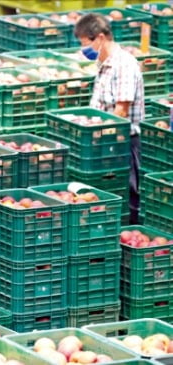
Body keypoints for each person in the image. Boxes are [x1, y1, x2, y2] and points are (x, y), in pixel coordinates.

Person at [74, 13, 145, 224]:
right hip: (104, 140)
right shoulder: (104, 62)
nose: (85, 49)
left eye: (86, 43)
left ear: (101, 37)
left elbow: (121, 111)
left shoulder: (124, 65)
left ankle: (130, 229)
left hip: (122, 142)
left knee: (128, 192)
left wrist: (101, 135)